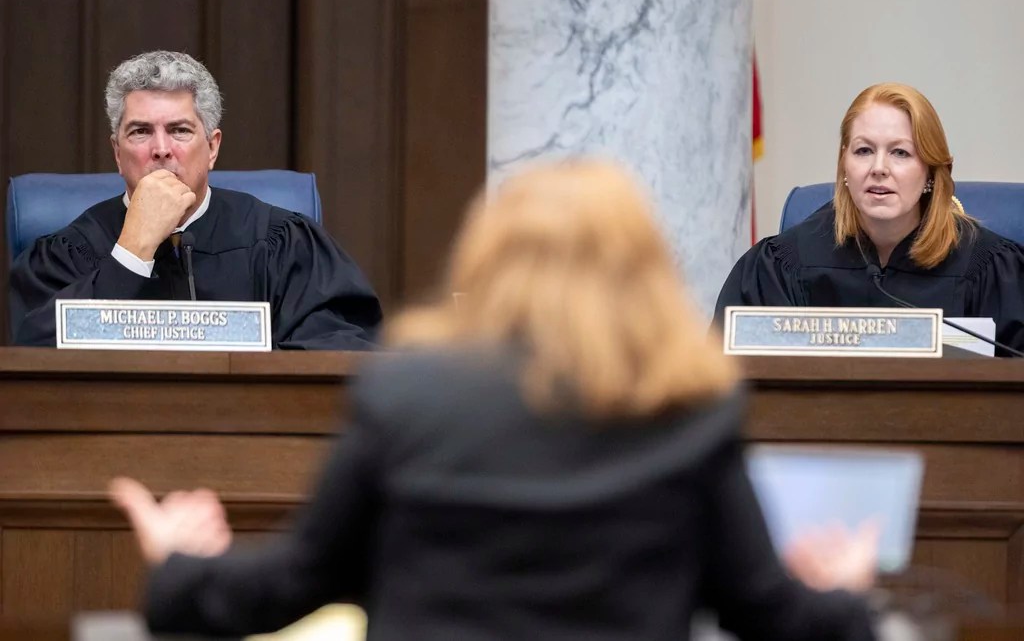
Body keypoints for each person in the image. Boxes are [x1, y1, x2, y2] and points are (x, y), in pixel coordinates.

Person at [110, 160, 879, 640]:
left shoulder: (405, 392)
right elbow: (768, 612)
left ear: (489, 258)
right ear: (644, 271)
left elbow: (290, 585)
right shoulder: (687, 410)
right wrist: (843, 596)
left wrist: (180, 565)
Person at [10, 50, 381, 350]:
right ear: (116, 153)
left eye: (179, 130)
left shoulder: (280, 241)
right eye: (140, 132)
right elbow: (36, 360)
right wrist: (131, 252)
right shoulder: (67, 253)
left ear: (213, 147)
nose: (160, 149)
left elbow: (339, 349)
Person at [716, 82, 1024, 355]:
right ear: (845, 165)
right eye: (863, 150)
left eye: (900, 153)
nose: (879, 167)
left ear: (931, 171)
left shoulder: (991, 269)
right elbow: (723, 382)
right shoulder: (781, 266)